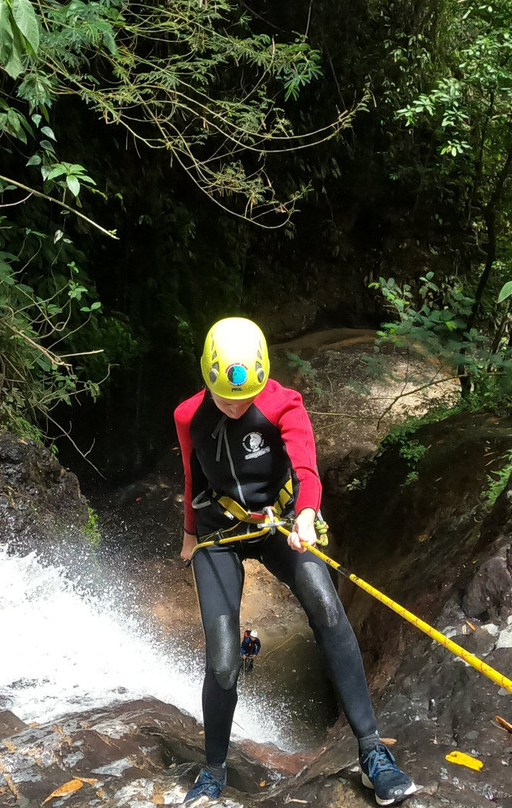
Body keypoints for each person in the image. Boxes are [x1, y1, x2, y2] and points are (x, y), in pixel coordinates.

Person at [175, 317, 417, 806]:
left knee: (327, 607)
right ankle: (213, 771)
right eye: (225, 399)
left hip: (280, 523)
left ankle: (373, 753)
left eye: (244, 399)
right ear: (206, 379)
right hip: (220, 530)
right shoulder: (188, 415)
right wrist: (188, 534)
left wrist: (306, 515)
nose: (235, 406)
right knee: (223, 656)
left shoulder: (284, 404)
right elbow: (191, 475)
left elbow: (306, 467)